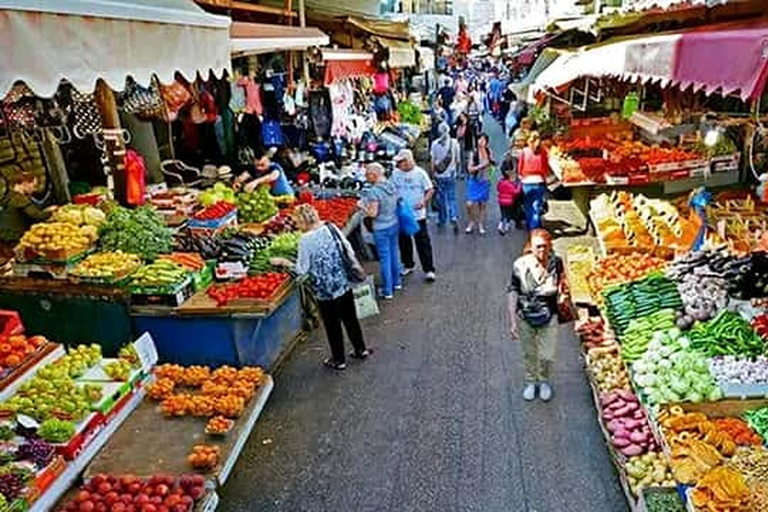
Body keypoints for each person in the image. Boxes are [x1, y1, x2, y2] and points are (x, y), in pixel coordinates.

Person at [271, 204, 370, 371]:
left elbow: (302, 270)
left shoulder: (305, 240)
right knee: (350, 318)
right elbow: (348, 248)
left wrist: (283, 262)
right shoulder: (330, 227)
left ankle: (339, 359)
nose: (296, 225)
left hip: (324, 290)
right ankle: (361, 349)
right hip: (342, 282)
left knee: (332, 325)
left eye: (297, 222)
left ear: (303, 221)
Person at [507, 229, 570, 402]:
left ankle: (543, 381)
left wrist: (563, 295)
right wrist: (512, 321)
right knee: (529, 353)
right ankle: (530, 382)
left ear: (550, 246)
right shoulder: (520, 265)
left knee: (547, 354)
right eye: (538, 247)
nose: (541, 250)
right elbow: (512, 291)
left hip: (549, 315)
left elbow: (563, 284)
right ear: (531, 247)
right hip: (525, 315)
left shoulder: (556, 263)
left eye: (544, 246)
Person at [391, 149, 436, 282]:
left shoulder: (420, 173)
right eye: (398, 162)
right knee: (404, 241)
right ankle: (408, 264)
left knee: (422, 241)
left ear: (408, 161)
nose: (399, 165)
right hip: (402, 213)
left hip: (418, 215)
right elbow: (392, 189)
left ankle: (429, 269)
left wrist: (424, 201)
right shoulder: (395, 174)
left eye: (401, 162)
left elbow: (430, 189)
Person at [360, 163, 401, 300]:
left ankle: (387, 290)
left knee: (384, 258)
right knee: (394, 253)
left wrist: (362, 206)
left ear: (374, 174)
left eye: (367, 174)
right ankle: (397, 282)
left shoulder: (374, 191)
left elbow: (373, 213)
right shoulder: (391, 185)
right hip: (394, 223)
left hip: (381, 228)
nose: (366, 177)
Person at [0, 172, 54, 247]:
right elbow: (38, 216)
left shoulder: (8, 196)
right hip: (15, 237)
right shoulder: (19, 199)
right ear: (25, 183)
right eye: (34, 185)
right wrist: (52, 211)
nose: (34, 189)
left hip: (4, 235)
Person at [517, 131, 551, 230]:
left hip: (526, 182)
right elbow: (545, 168)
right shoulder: (543, 152)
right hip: (539, 182)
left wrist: (520, 177)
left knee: (528, 206)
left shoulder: (524, 151)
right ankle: (534, 227)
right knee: (536, 207)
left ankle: (531, 226)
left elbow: (520, 167)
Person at [430, 123, 460, 232]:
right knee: (451, 197)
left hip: (439, 175)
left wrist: (432, 175)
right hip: (451, 174)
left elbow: (432, 162)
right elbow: (457, 160)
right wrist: (455, 171)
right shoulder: (454, 143)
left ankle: (442, 219)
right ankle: (453, 216)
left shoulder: (434, 144)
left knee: (441, 198)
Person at [466, 133, 493, 235]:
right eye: (479, 139)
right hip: (474, 180)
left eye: (483, 140)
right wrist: (480, 166)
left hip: (485, 181)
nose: (481, 142)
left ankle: (480, 224)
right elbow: (469, 169)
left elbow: (490, 167)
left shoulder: (489, 152)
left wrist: (490, 176)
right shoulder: (473, 153)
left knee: (482, 204)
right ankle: (471, 221)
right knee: (469, 204)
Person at [497, 165, 522, 235]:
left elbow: (498, 189)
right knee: (508, 214)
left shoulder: (501, 182)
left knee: (503, 214)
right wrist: (519, 185)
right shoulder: (510, 185)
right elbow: (516, 192)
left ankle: (500, 225)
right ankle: (507, 226)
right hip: (509, 202)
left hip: (501, 202)